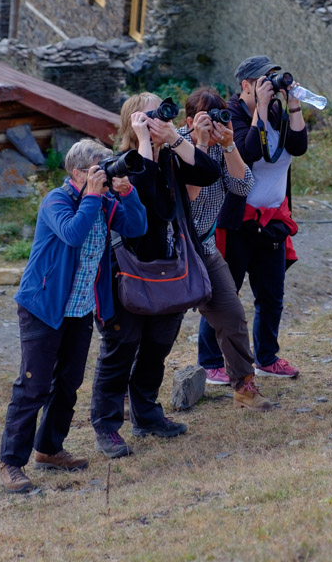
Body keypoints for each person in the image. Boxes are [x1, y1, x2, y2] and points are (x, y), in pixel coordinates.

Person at [0, 139, 147, 493]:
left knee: (68, 382)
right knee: (33, 386)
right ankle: (10, 462)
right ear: (79, 173)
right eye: (100, 167)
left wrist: (127, 194)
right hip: (43, 307)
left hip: (80, 308)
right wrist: (94, 196)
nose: (106, 173)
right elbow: (73, 234)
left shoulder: (104, 200)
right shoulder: (57, 200)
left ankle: (49, 449)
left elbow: (136, 227)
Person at [90, 92, 222, 459]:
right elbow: (143, 195)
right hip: (127, 273)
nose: (159, 120)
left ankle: (147, 414)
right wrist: (146, 142)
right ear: (133, 122)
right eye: (149, 117)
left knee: (157, 347)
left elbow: (210, 174)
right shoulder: (117, 164)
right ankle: (106, 425)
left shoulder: (170, 159)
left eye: (162, 115)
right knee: (120, 350)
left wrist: (176, 140)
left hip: (170, 269)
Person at [201, 56, 308, 380]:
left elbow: (299, 146)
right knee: (225, 293)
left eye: (273, 78)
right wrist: (259, 109)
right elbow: (250, 152)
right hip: (237, 221)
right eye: (263, 79)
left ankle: (266, 357)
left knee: (272, 294)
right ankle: (211, 363)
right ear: (246, 84)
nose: (269, 85)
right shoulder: (230, 114)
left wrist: (293, 105)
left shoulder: (277, 111)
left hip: (273, 219)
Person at [175, 88, 272, 410]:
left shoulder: (221, 146)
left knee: (231, 316)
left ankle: (244, 387)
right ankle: (128, 396)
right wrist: (199, 144)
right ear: (189, 121)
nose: (213, 125)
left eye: (218, 117)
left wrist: (228, 143)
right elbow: (188, 196)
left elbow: (243, 186)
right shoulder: (172, 144)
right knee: (156, 328)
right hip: (170, 249)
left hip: (204, 245)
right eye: (205, 119)